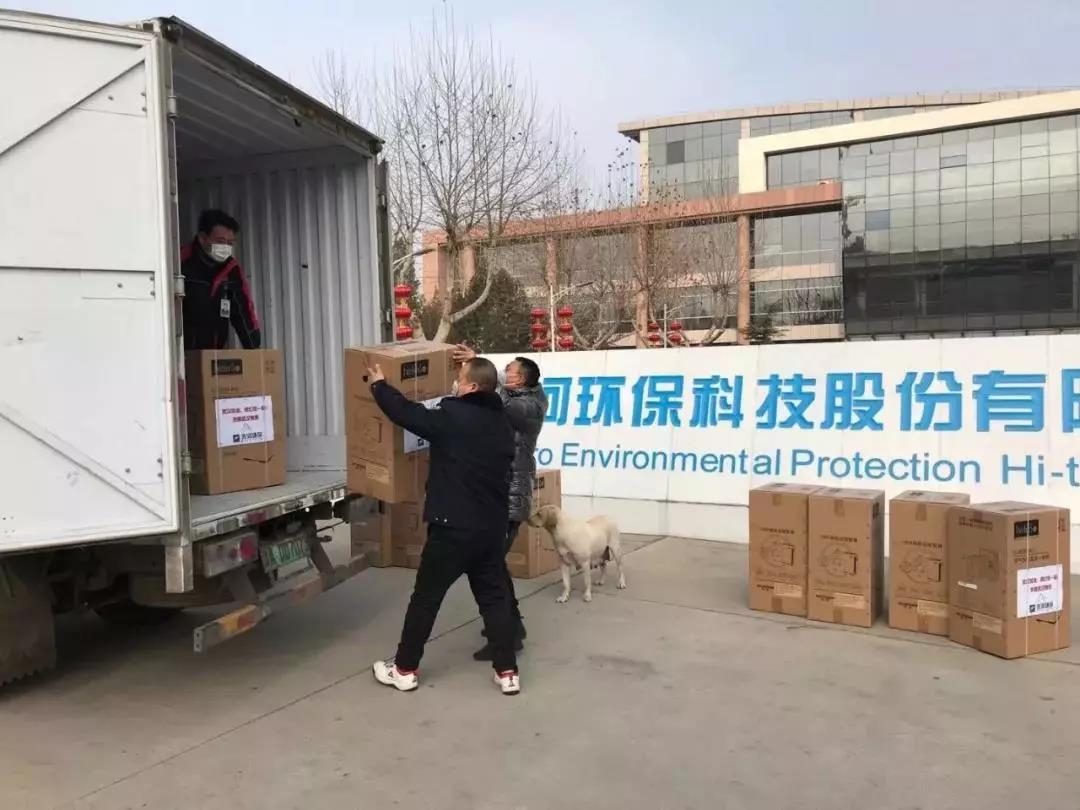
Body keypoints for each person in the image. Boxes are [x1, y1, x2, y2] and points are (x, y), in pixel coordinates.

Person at [368, 356, 522, 696]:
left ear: (471, 386)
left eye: (460, 377)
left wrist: (379, 385)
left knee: (426, 598)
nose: (455, 383)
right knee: (494, 599)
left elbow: (407, 413)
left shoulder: (453, 417)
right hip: (490, 529)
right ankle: (507, 671)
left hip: (452, 529)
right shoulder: (502, 422)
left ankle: (404, 669)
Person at [453, 347, 548, 661]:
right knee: (493, 566)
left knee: (489, 568)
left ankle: (505, 638)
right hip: (498, 494)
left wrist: (477, 372)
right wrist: (474, 363)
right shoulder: (518, 395)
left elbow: (495, 397)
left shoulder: (528, 406)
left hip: (510, 497)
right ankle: (511, 626)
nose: (505, 373)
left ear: (520, 380)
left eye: (509, 370)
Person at [180, 209, 262, 351]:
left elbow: (243, 309)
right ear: (202, 238)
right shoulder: (180, 261)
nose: (225, 248)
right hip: (181, 353)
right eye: (220, 241)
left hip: (214, 353)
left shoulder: (231, 269)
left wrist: (254, 348)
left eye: (230, 243)